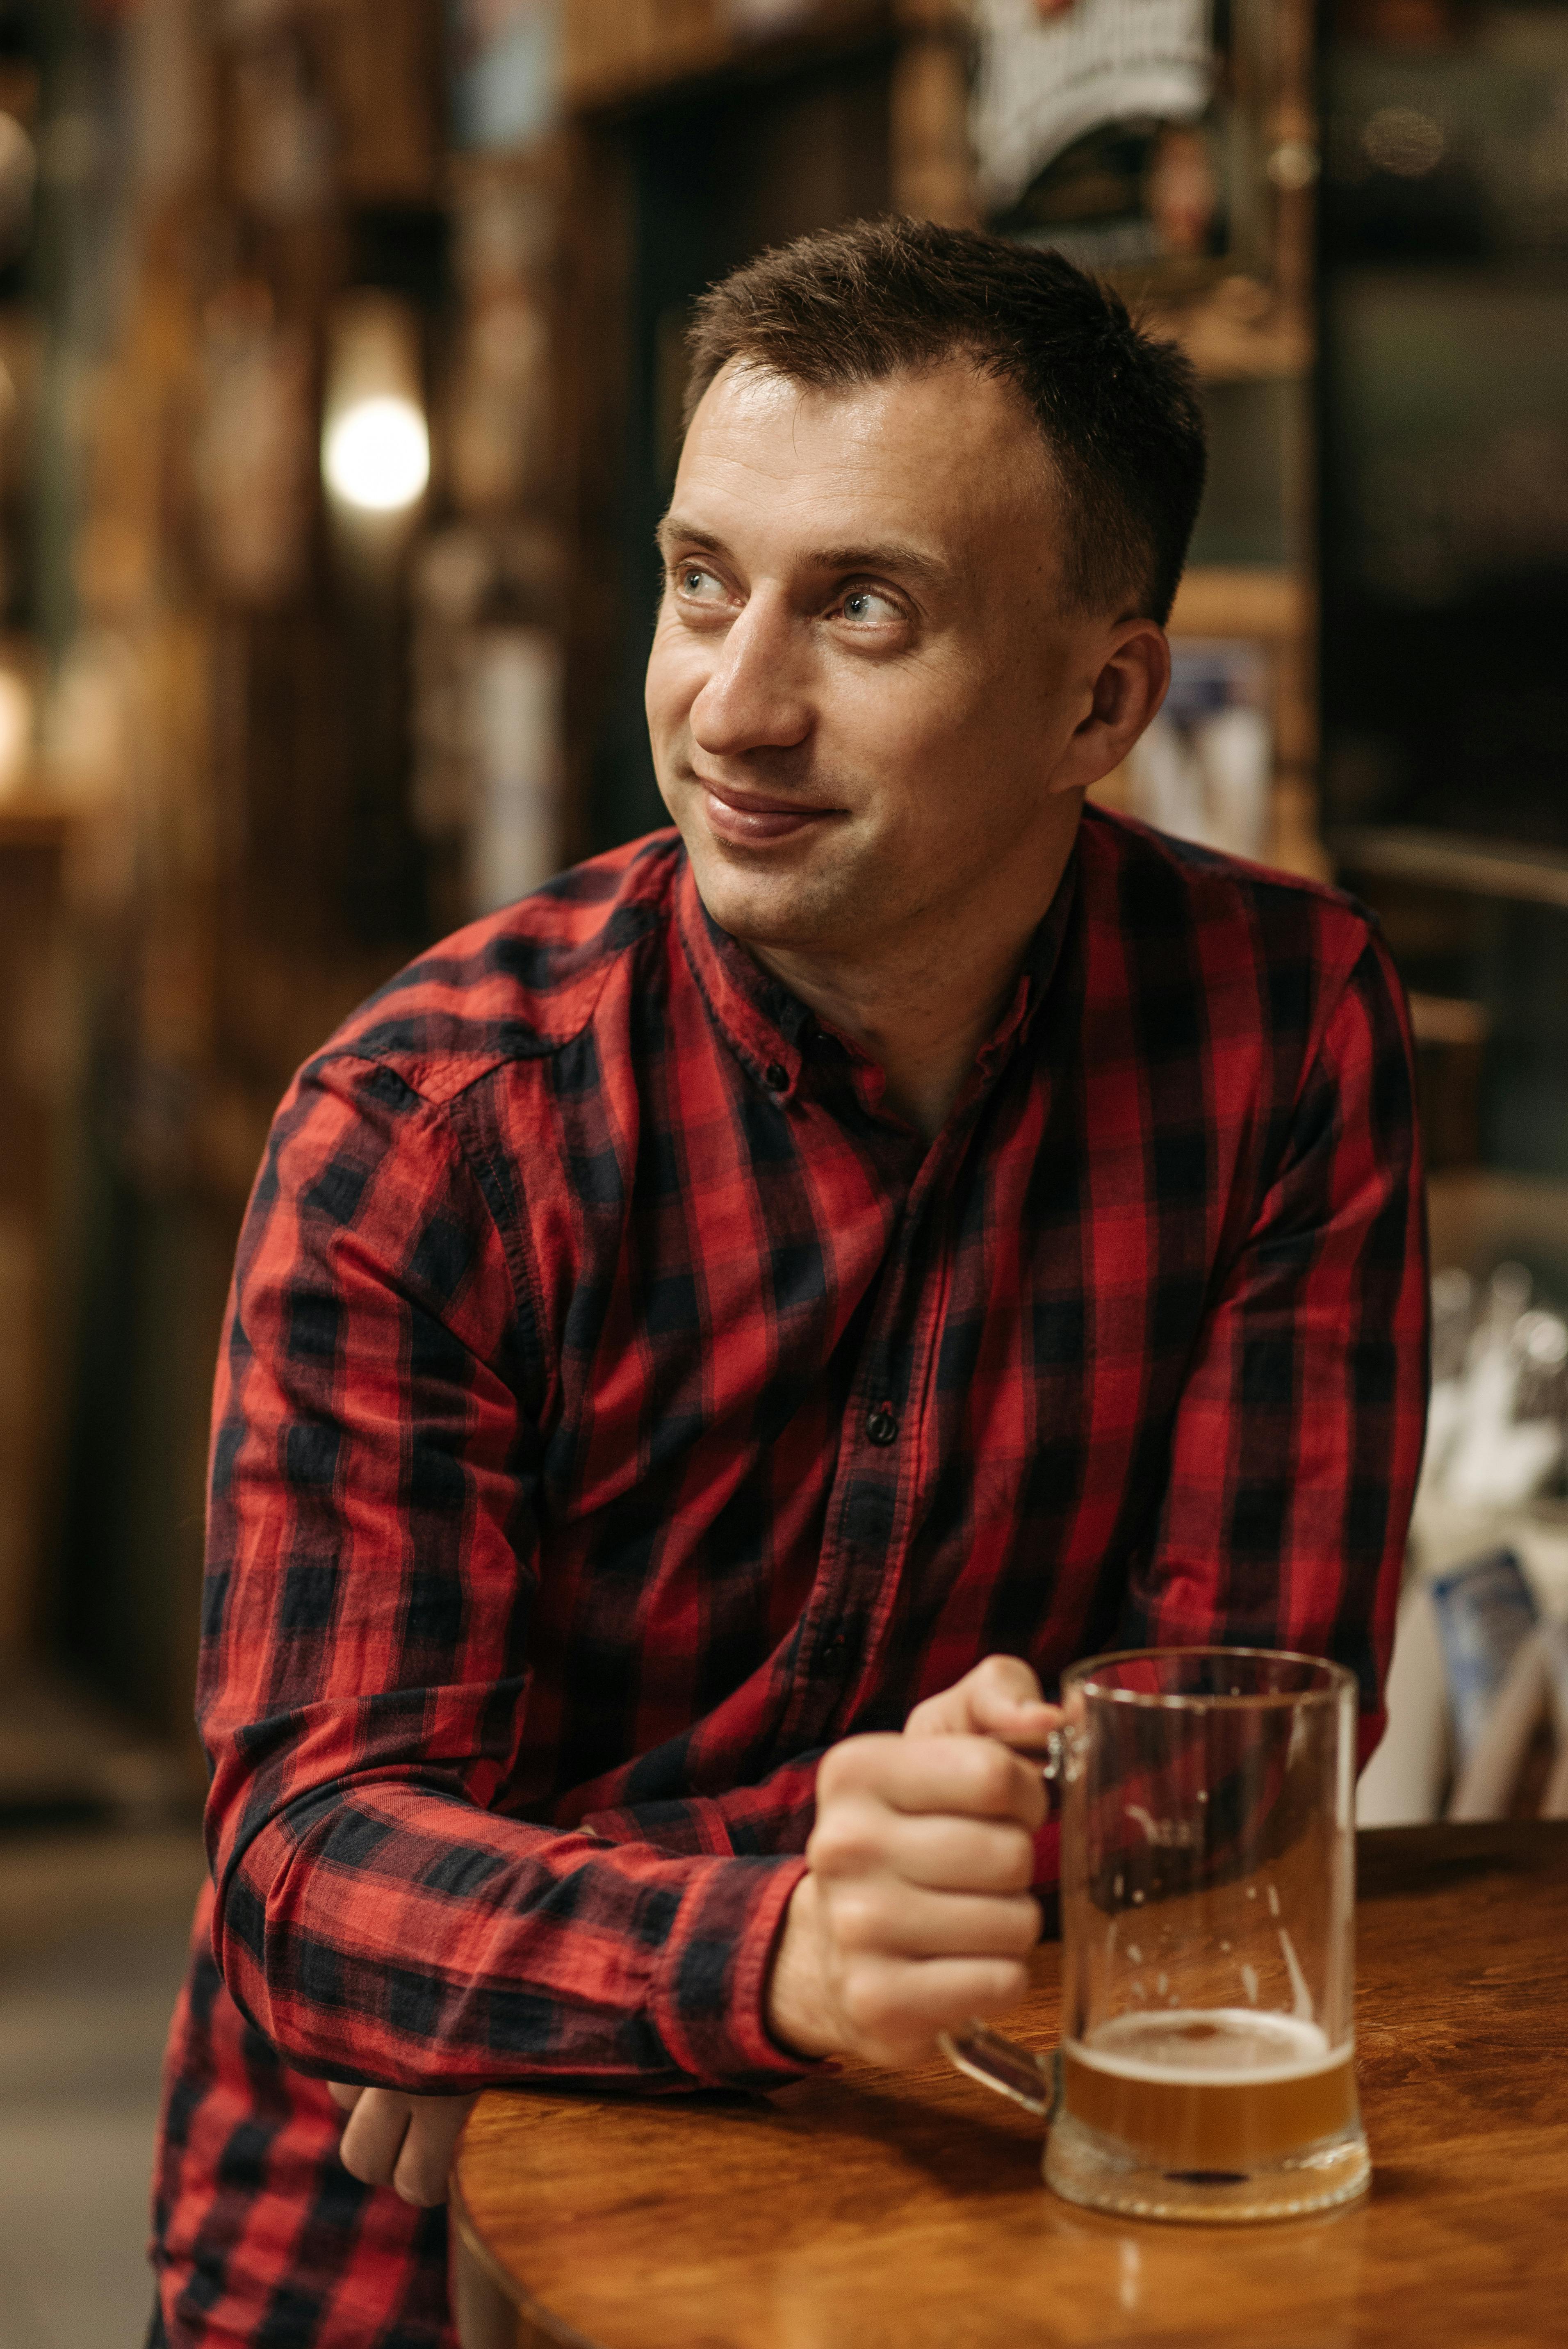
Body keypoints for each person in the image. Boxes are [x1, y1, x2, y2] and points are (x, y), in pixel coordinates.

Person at [147, 219, 1427, 2348]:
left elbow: (1245, 1748)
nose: (733, 704)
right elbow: (311, 1875)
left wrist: (544, 1947)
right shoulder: (426, 1119)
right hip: (385, 2231)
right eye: (701, 582)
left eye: (864, 607)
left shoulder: (1285, 1031)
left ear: (1102, 697)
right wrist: (780, 1943)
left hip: (930, 2205)